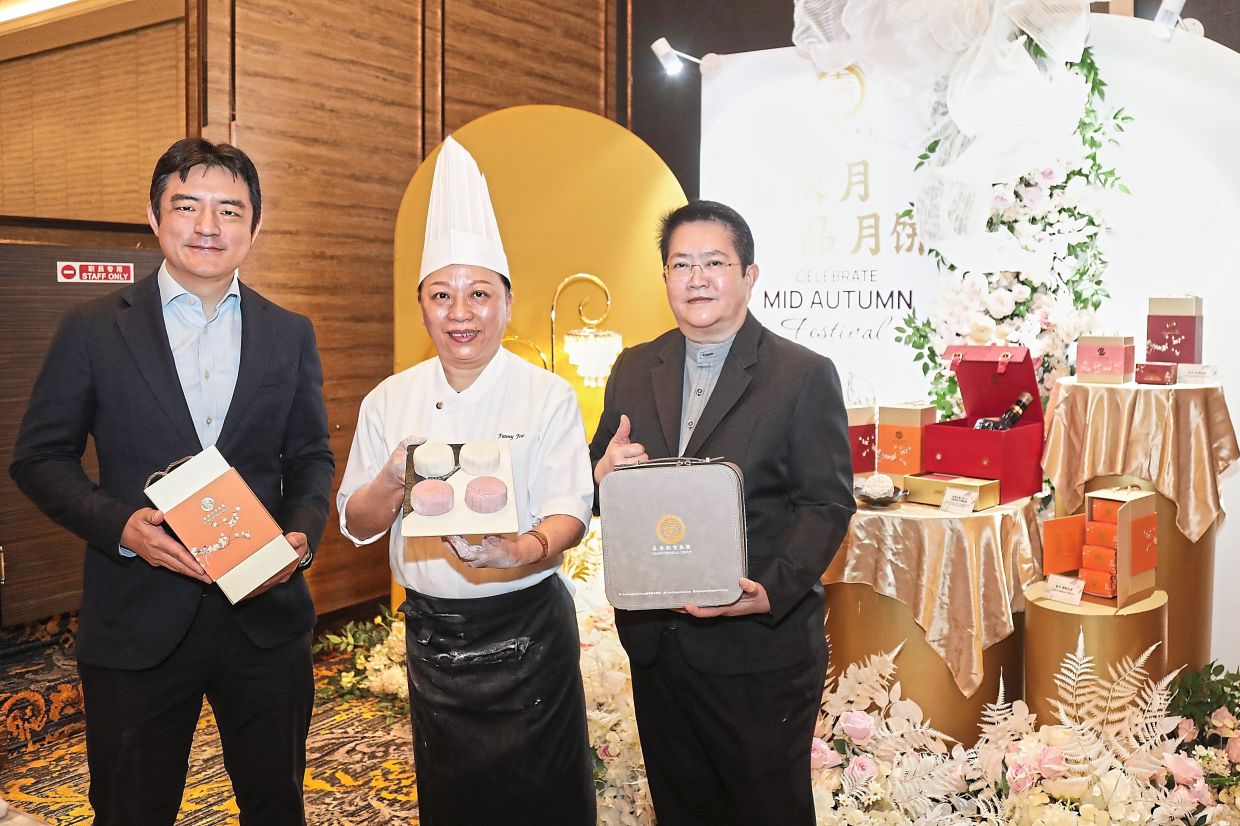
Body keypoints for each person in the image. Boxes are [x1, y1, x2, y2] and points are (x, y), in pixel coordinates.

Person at [9, 138, 335, 824]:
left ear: (254, 227)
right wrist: (119, 527)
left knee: (277, 805)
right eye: (187, 206)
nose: (208, 226)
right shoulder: (94, 330)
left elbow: (309, 457)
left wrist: (299, 539)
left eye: (229, 210)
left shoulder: (290, 333)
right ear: (154, 218)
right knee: (132, 809)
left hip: (265, 621)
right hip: (137, 616)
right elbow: (39, 458)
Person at [336, 136, 596, 825]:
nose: (461, 312)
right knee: (455, 803)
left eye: (480, 294)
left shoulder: (547, 396)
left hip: (529, 629)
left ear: (508, 304)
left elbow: (572, 510)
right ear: (422, 306)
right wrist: (394, 474)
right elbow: (358, 524)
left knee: (547, 800)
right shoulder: (390, 401)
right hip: (436, 633)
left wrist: (521, 549)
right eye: (442, 295)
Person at [590, 200, 856, 825]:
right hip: (660, 646)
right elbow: (597, 478)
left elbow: (826, 502)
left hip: (756, 650)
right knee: (683, 809)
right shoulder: (634, 367)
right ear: (664, 279)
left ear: (749, 275)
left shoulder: (802, 375)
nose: (697, 277)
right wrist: (602, 473)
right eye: (681, 264)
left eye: (715, 262)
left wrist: (769, 591)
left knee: (766, 811)